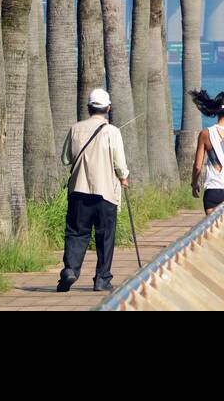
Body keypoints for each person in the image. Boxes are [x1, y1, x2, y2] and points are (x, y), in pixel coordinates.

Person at [57, 88, 129, 293]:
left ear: (88, 107)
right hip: (106, 192)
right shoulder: (112, 132)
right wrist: (124, 177)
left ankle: (70, 269)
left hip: (79, 190)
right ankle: (102, 278)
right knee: (105, 235)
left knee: (76, 232)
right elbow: (119, 163)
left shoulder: (75, 129)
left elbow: (65, 159)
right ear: (108, 108)